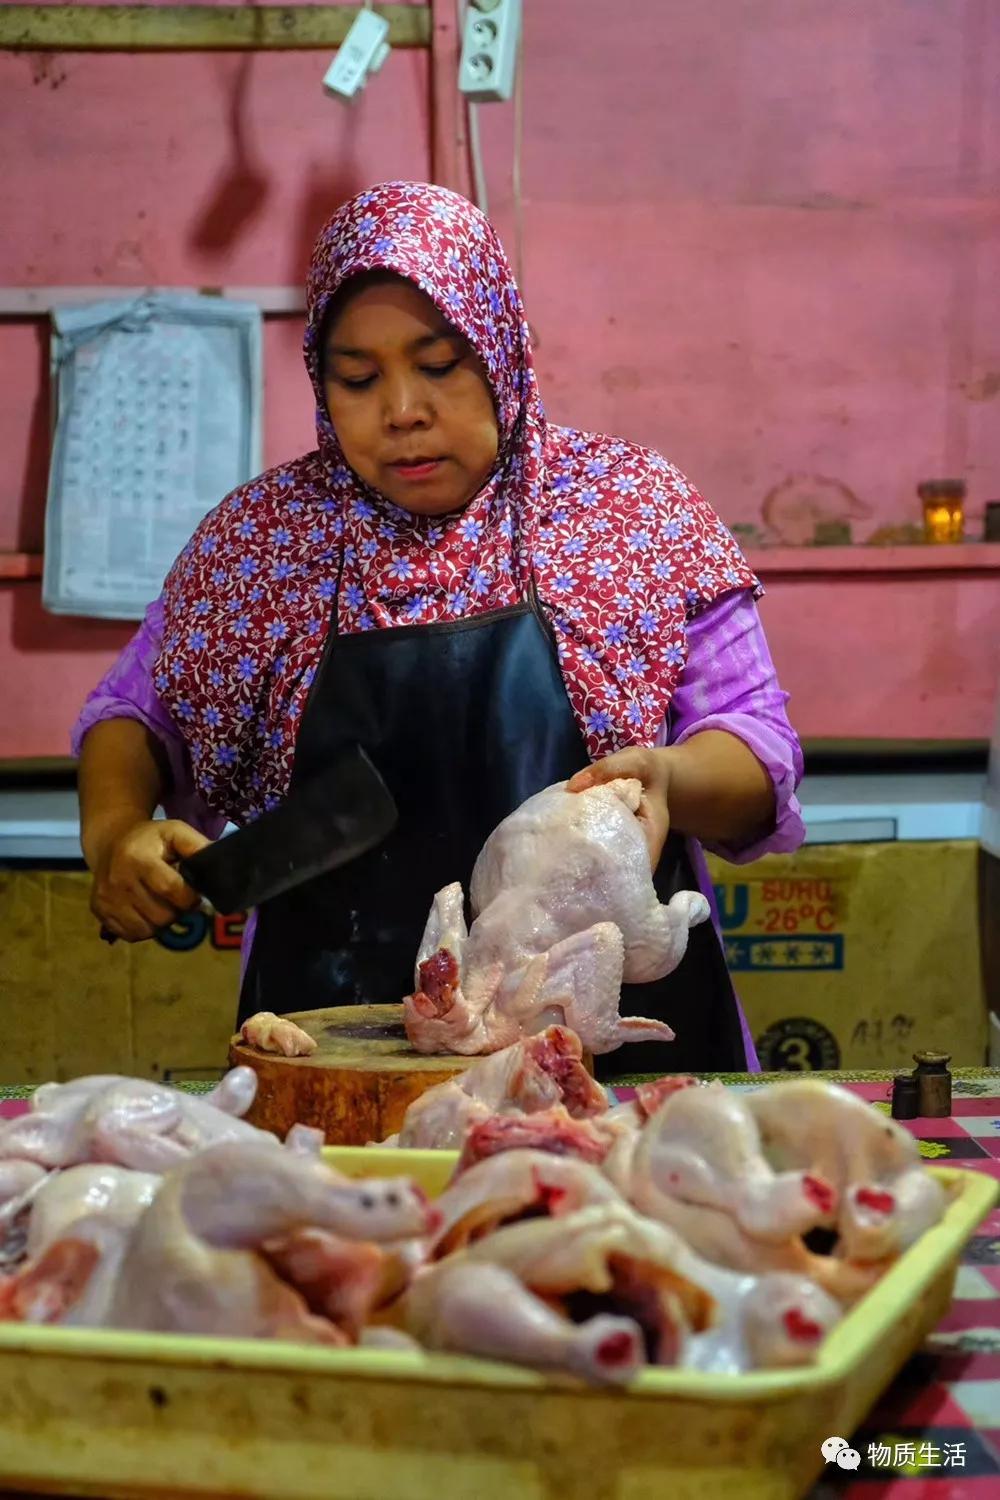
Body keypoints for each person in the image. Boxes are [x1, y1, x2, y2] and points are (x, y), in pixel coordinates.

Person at [73, 180, 805, 1078]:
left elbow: (754, 746)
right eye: (358, 377)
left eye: (439, 362)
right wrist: (116, 834)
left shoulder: (630, 509)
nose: (403, 410)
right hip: (343, 1051)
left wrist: (666, 778)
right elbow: (136, 714)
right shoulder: (264, 542)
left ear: (499, 350)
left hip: (614, 1048)